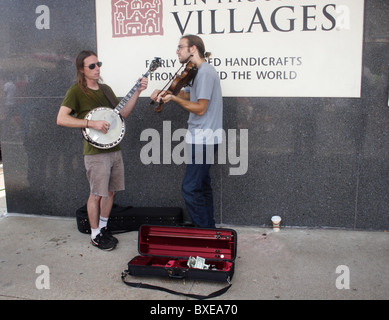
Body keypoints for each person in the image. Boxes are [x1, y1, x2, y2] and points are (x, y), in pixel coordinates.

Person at [57, 50, 148, 250]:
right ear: (82, 69)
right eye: (92, 66)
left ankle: (105, 227)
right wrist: (91, 123)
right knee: (96, 194)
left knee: (111, 192)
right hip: (95, 153)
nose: (97, 68)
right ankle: (95, 233)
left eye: (98, 64)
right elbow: (61, 118)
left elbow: (123, 113)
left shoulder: (105, 89)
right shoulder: (76, 92)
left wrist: (137, 92)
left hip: (114, 148)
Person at [151, 35, 223, 228]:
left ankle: (203, 233)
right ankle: (209, 229)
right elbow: (188, 94)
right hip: (201, 137)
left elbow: (200, 108)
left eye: (180, 47)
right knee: (201, 186)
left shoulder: (206, 72)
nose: (177, 51)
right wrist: (165, 93)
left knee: (190, 189)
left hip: (204, 138)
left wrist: (174, 100)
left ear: (193, 49)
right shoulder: (198, 72)